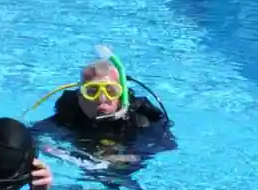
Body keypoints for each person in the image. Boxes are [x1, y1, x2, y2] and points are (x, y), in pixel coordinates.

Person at [33, 54, 174, 169]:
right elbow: (32, 135)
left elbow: (167, 144)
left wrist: (133, 156)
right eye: (92, 91)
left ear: (121, 95)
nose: (101, 98)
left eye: (110, 91)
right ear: (80, 96)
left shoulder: (140, 118)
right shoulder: (69, 115)